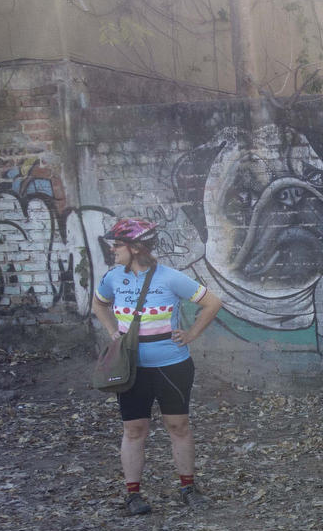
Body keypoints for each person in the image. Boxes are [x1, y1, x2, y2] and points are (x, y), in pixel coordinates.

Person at [91, 218, 224, 515]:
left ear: (136, 248)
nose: (112, 250)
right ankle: (133, 494)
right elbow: (98, 304)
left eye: (117, 245)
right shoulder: (112, 277)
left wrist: (191, 334)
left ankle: (188, 487)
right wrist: (113, 330)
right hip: (131, 368)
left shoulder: (170, 277)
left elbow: (213, 302)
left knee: (178, 425)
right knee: (134, 429)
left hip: (172, 365)